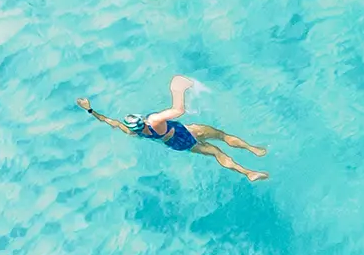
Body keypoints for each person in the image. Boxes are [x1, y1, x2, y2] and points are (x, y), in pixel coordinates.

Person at [77, 75, 268, 181]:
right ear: (142, 119)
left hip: (179, 144)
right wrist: (178, 88)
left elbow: (110, 122)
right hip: (184, 131)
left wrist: (90, 109)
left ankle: (247, 173)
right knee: (221, 136)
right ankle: (254, 150)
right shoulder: (154, 120)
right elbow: (178, 110)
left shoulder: (133, 132)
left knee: (216, 153)